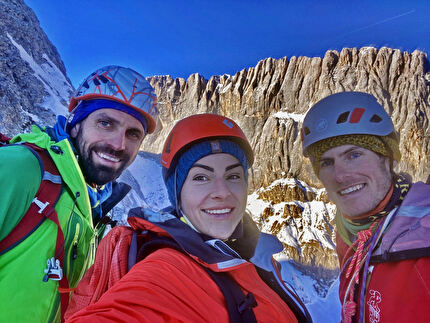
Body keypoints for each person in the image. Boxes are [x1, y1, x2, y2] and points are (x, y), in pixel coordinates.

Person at [66, 113, 312, 322]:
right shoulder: (166, 270)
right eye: (201, 178)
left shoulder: (253, 256)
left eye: (234, 176)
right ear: (177, 194)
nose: (222, 192)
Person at [0, 65, 158, 322]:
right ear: (75, 123)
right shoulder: (20, 169)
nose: (118, 144)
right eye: (105, 123)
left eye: (133, 134)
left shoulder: (91, 204)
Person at [301, 91, 430, 322]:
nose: (340, 176)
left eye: (354, 155)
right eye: (327, 162)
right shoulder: (353, 239)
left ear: (388, 156)